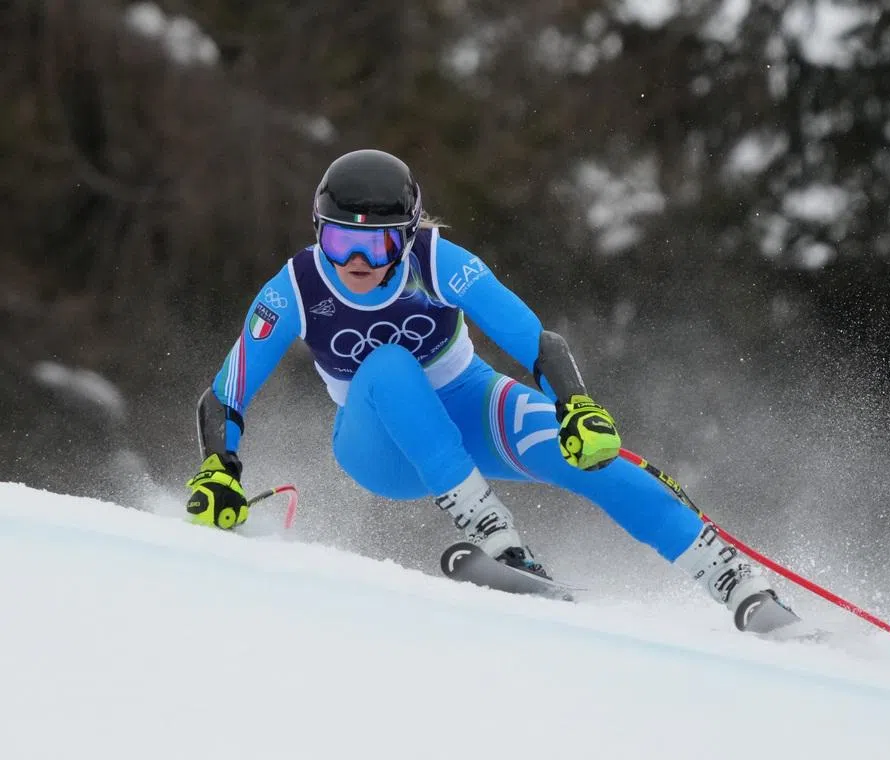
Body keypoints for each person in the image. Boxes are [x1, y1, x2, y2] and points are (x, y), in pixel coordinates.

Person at [184, 148, 795, 633]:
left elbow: (534, 338)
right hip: (380, 447)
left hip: (471, 407)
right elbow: (226, 393)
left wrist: (575, 406)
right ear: (320, 234)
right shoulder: (295, 286)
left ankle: (740, 585)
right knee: (391, 363)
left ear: (408, 234)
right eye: (341, 241)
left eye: (378, 243)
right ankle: (496, 538)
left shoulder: (439, 259)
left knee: (593, 458)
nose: (357, 260)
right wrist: (220, 469)